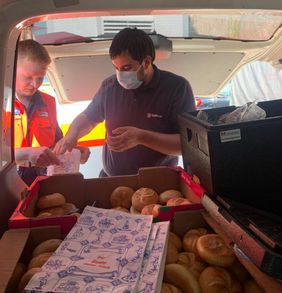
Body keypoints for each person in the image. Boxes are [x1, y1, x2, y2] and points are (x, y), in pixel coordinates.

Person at [54, 28, 196, 177]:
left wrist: (142, 137)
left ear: (146, 62)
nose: (120, 75)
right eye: (116, 68)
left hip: (157, 182)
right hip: (111, 179)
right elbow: (88, 118)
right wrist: (71, 136)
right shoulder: (109, 86)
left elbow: (186, 145)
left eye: (126, 68)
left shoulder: (177, 88)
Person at [15, 39, 90, 185]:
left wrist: (73, 150)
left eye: (40, 78)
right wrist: (26, 154)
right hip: (9, 181)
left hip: (44, 179)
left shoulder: (48, 103)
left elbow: (57, 143)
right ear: (11, 69)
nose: (34, 84)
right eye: (27, 78)